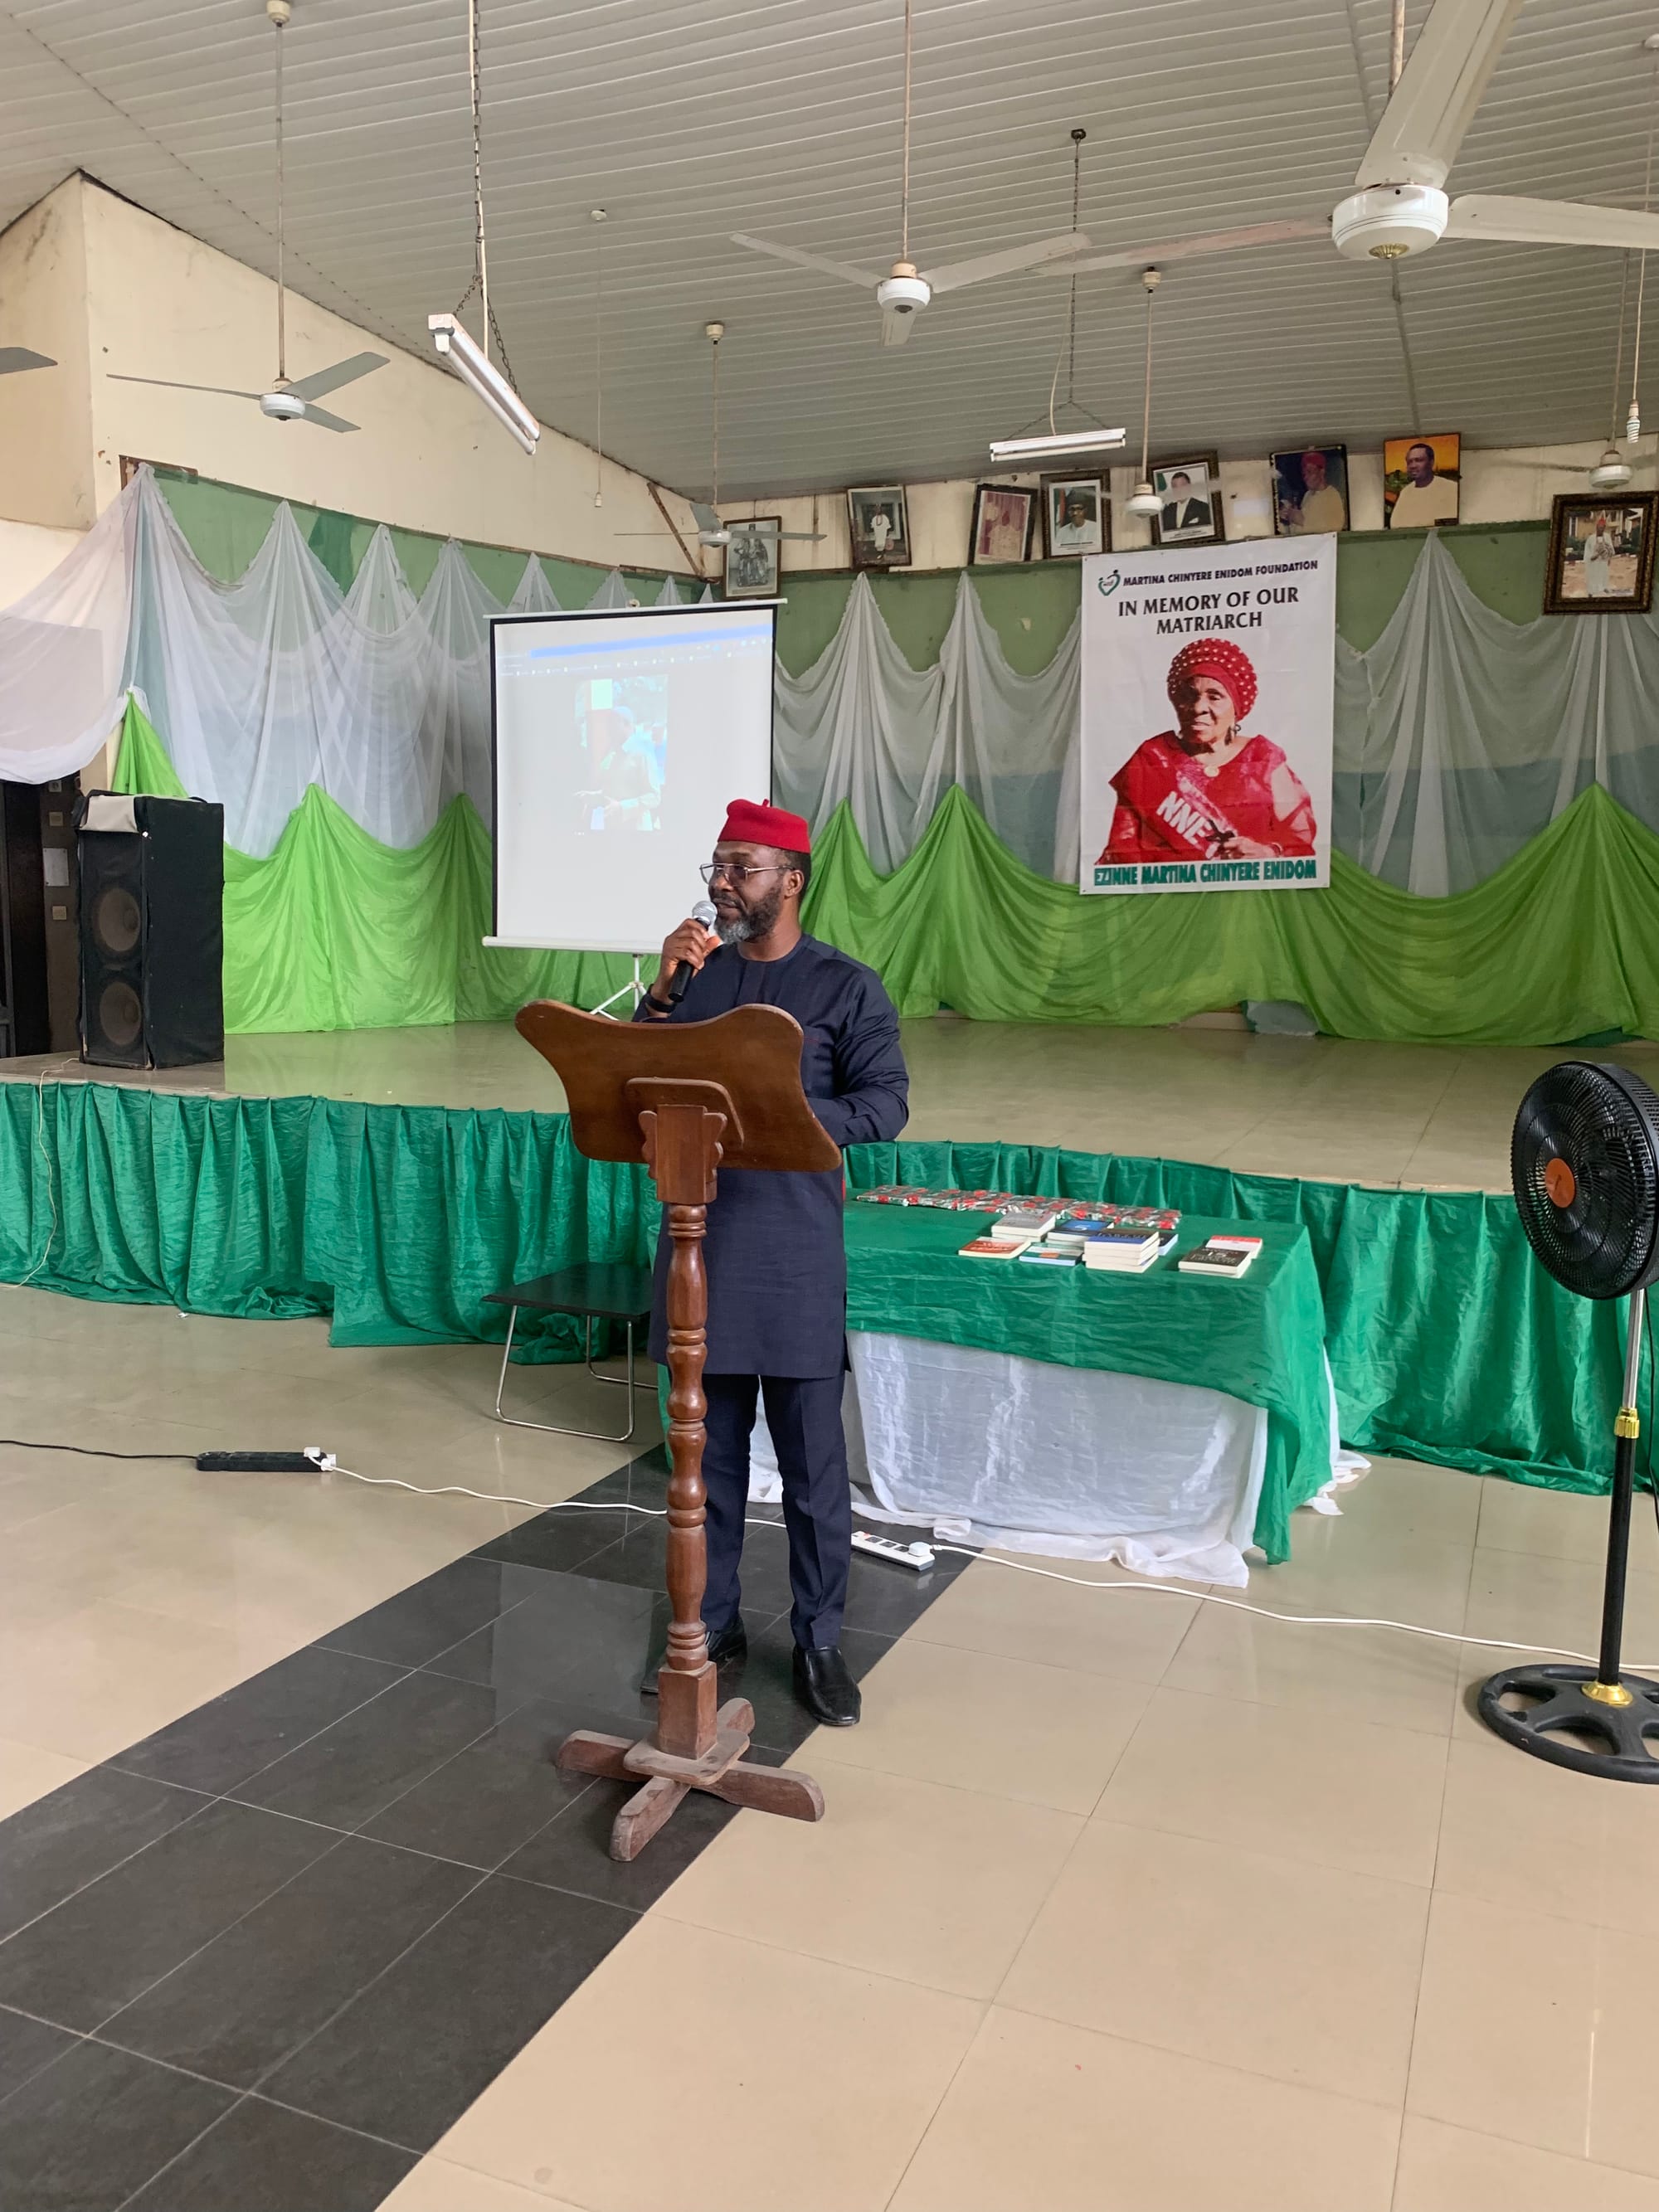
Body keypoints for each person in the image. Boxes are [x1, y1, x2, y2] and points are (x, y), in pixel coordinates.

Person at [635, 798, 909, 1726]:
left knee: (810, 1471)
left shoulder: (844, 987)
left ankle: (820, 1639)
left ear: (790, 881)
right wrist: (663, 994)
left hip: (792, 1258)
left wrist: (784, 1120)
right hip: (699, 1253)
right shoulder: (697, 982)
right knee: (703, 1464)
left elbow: (883, 1105)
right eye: (715, 865)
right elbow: (641, 1082)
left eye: (740, 867)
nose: (720, 883)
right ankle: (710, 1623)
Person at [1097, 638, 1317, 863]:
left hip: (1247, 893)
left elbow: (1299, 842)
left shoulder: (1263, 758)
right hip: (1170, 893)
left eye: (1214, 697)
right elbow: (1122, 850)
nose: (1198, 708)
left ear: (1237, 707)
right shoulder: (1152, 758)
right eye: (1190, 695)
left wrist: (1268, 852)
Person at [1389, 441, 1459, 528]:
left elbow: (1451, 522)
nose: (1413, 466)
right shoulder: (1406, 492)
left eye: (1418, 460)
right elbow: (1395, 525)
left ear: (1431, 463)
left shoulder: (1451, 488)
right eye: (1409, 462)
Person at [1287, 448, 1345, 535]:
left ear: (1321, 472)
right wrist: (1290, 516)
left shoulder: (1332, 496)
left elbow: (1334, 528)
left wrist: (1302, 521)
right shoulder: (1308, 495)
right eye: (1304, 474)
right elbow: (1299, 528)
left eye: (1310, 472)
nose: (1305, 478)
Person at [1160, 469, 1212, 536]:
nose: (1179, 490)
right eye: (1175, 487)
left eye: (1182, 486)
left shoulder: (1203, 508)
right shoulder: (1167, 511)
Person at [1581, 513, 1617, 597]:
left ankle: (1604, 587)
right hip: (1593, 562)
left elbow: (1611, 549)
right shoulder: (1591, 538)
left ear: (1604, 528)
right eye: (1599, 527)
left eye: (1602, 528)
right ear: (1597, 527)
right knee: (1592, 576)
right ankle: (1590, 592)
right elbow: (1588, 552)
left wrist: (1608, 557)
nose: (1601, 529)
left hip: (1603, 561)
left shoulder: (1607, 537)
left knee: (1604, 574)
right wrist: (1596, 555)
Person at [1051, 488, 1097, 552]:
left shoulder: (1096, 528)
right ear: (1067, 511)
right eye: (1072, 509)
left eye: (1079, 509)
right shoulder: (1062, 532)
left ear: (1085, 510)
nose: (1075, 513)